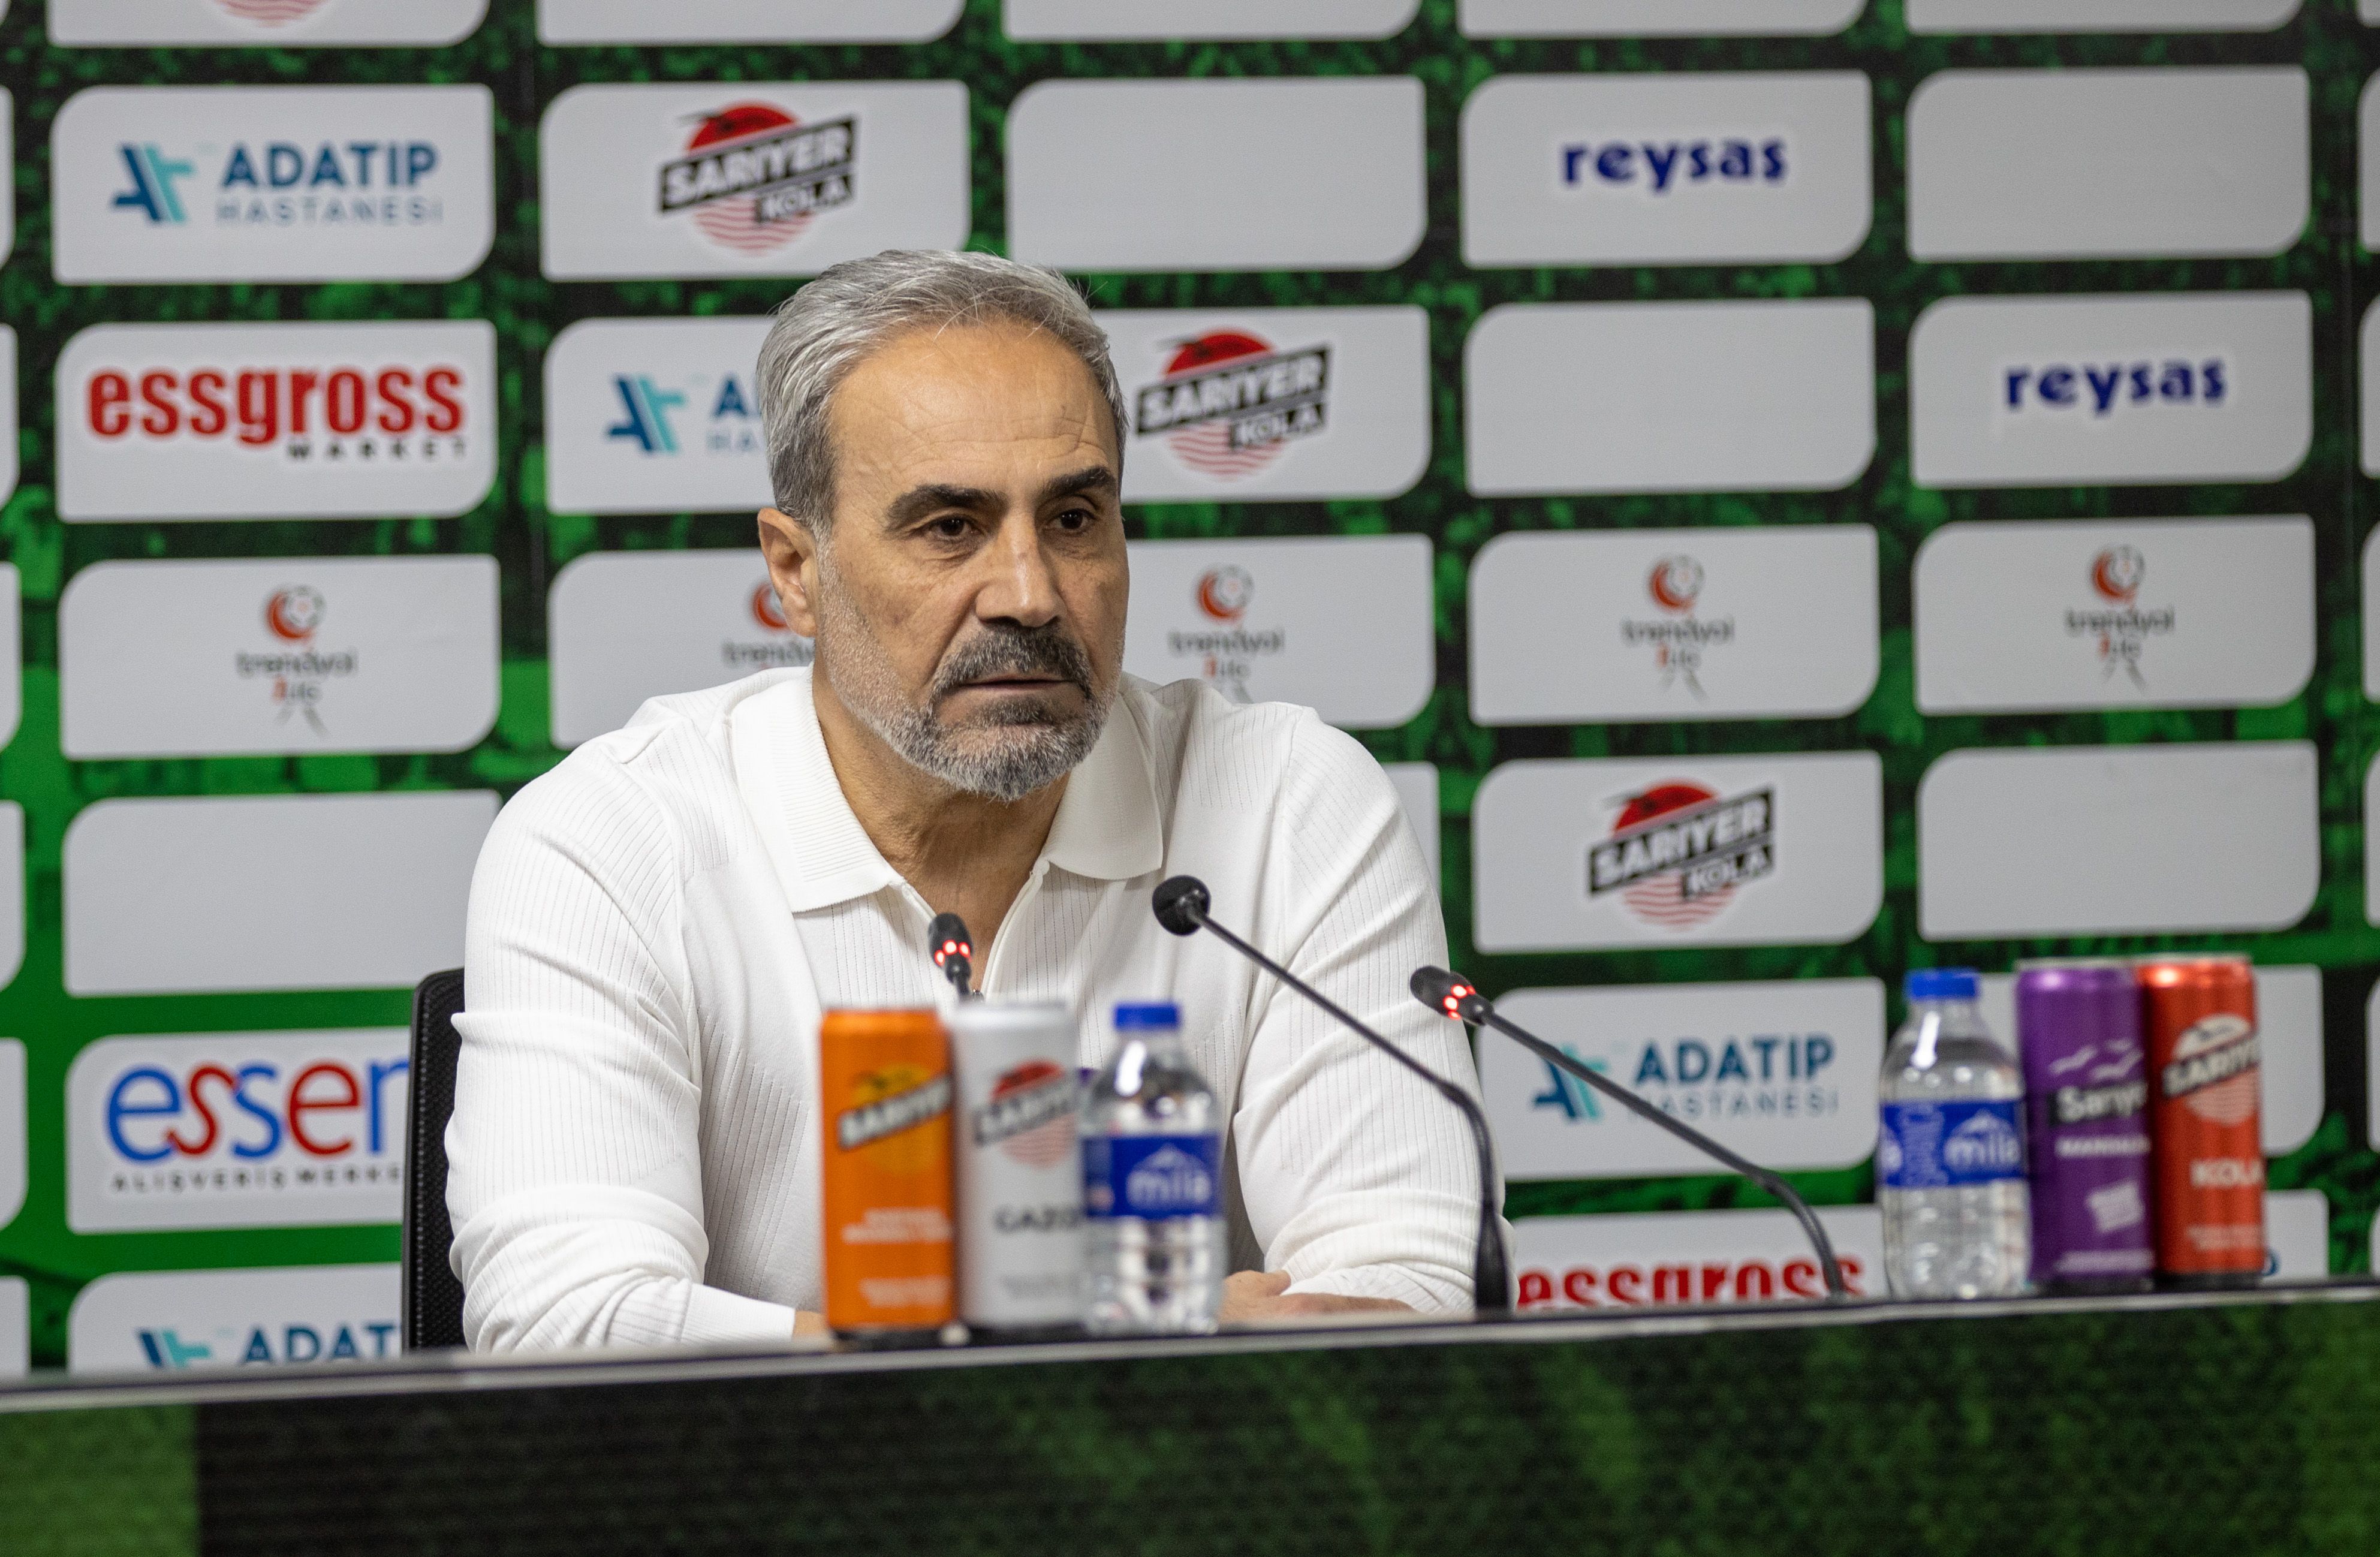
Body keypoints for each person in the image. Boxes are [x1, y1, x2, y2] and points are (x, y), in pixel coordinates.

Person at [446, 249, 1501, 1350]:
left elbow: (1413, 1286)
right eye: (949, 527)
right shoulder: (612, 838)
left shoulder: (1287, 800)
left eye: (1075, 518)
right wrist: (1108, 1325)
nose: (1030, 594)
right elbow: (565, 1322)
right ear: (796, 571)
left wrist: (916, 1346)